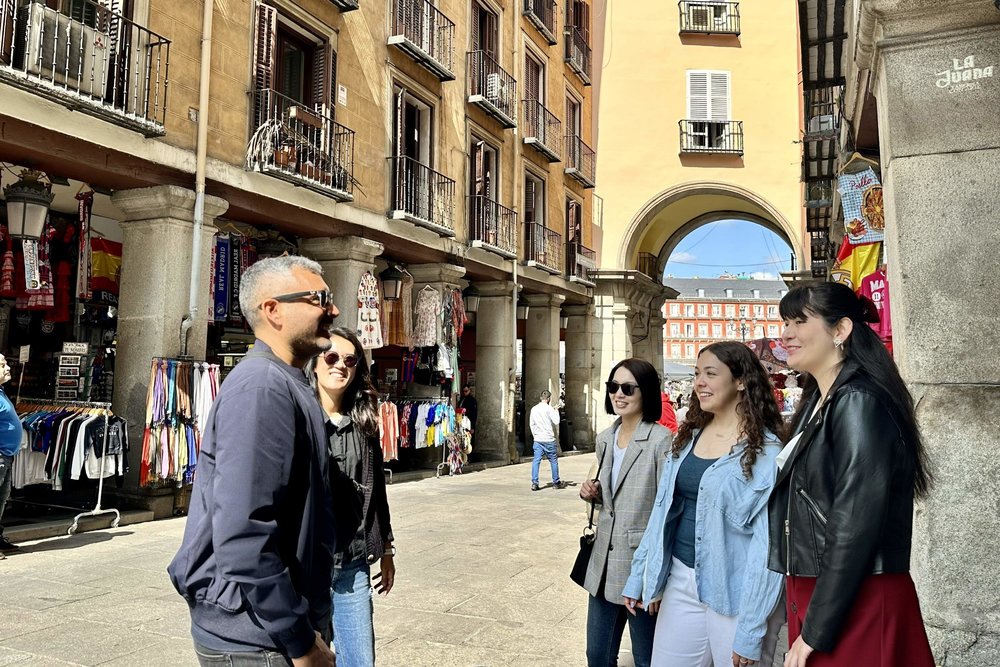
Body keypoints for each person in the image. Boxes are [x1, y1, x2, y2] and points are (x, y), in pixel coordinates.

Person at [167, 256, 340, 667]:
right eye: (320, 298)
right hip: (256, 640)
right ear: (273, 310)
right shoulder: (263, 387)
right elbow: (244, 532)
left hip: (268, 630)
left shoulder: (286, 381)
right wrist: (299, 642)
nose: (333, 309)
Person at [770, 282, 934, 667]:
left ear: (840, 330)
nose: (786, 333)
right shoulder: (818, 402)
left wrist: (816, 629)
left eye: (798, 321)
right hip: (826, 591)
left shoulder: (858, 400)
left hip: (855, 596)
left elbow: (854, 523)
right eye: (784, 322)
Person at [622, 342, 785, 666]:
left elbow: (767, 548)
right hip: (681, 578)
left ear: (741, 381)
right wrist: (643, 572)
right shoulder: (689, 436)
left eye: (711, 373)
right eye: (697, 374)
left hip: (735, 593)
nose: (699, 382)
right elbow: (662, 509)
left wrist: (751, 630)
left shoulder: (766, 452)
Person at [307, 327, 395, 667]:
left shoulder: (365, 421)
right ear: (315, 363)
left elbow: (378, 494)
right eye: (330, 357)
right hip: (307, 568)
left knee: (360, 661)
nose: (339, 365)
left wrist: (386, 548)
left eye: (349, 359)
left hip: (352, 565)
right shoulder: (299, 417)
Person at [579, 359, 671, 667]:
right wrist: (592, 494)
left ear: (645, 392)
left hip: (640, 566)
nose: (619, 394)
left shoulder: (661, 440)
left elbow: (665, 509)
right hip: (603, 561)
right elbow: (612, 497)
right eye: (613, 387)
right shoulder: (606, 438)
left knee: (646, 658)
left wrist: (657, 577)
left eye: (628, 388)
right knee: (598, 656)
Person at [0, 354, 20, 560]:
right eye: (2, 365)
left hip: (6, 455)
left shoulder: (1, 392)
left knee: (2, 498)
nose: (8, 368)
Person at [529, 389, 564, 491]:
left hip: (538, 439)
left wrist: (535, 435)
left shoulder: (534, 409)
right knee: (553, 460)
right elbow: (556, 421)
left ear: (541, 398)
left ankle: (534, 483)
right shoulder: (549, 409)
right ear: (548, 399)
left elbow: (532, 424)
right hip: (549, 439)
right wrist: (556, 410)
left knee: (536, 460)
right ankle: (556, 482)